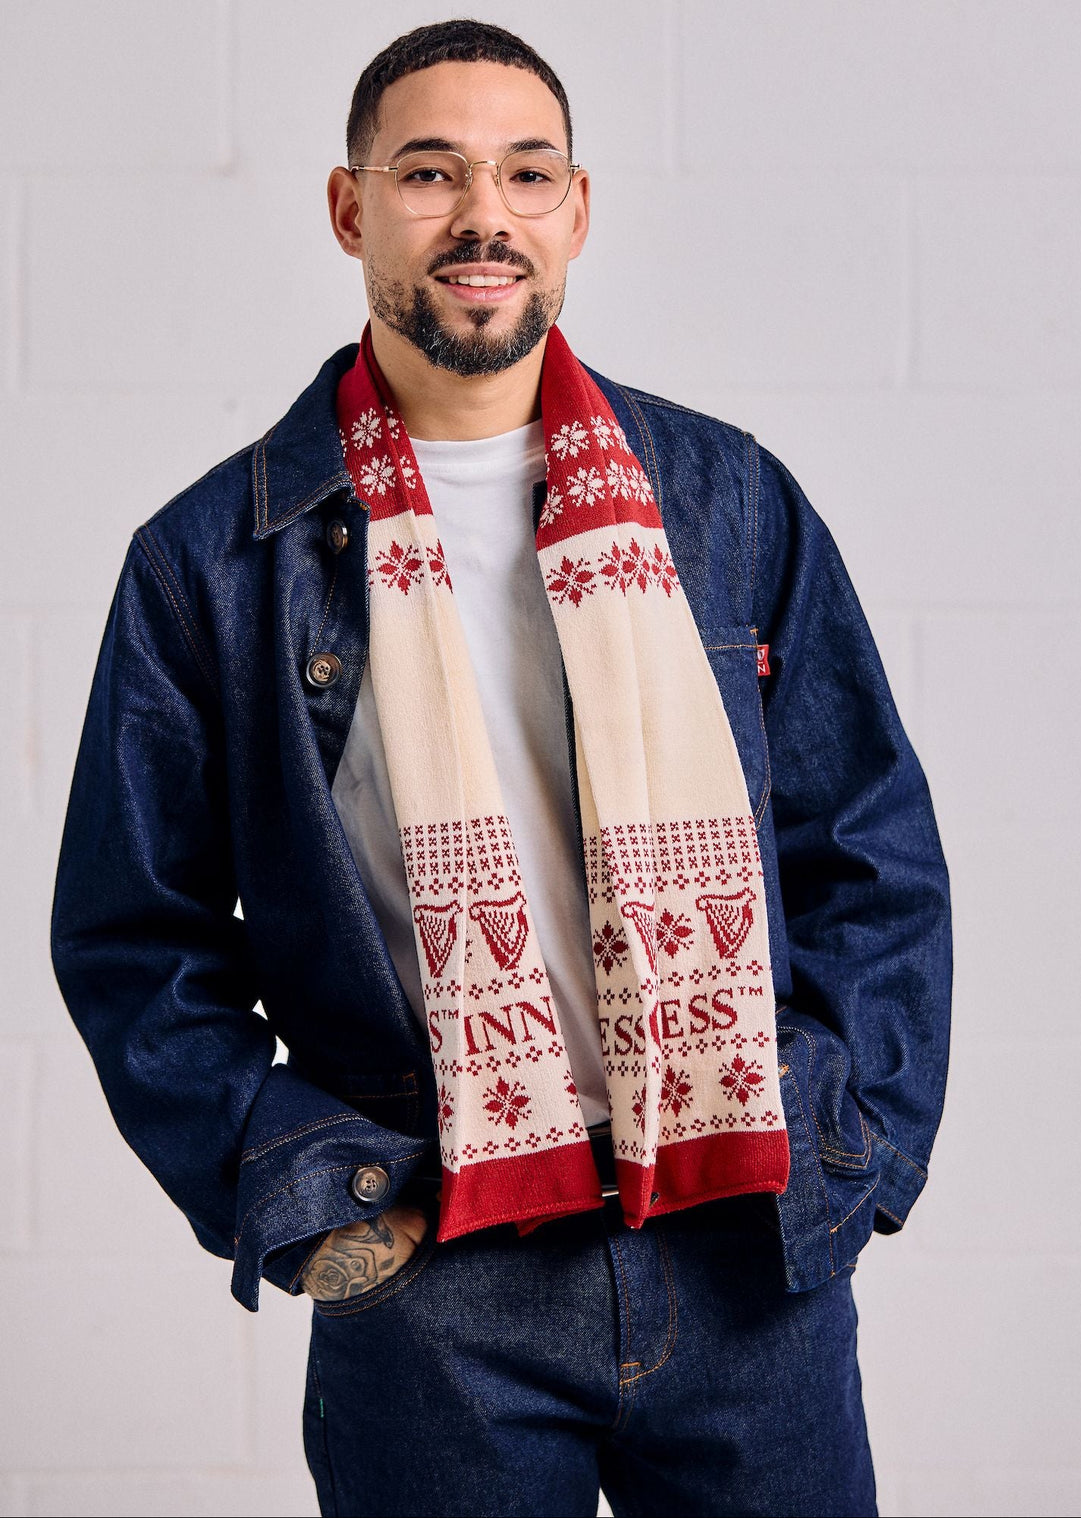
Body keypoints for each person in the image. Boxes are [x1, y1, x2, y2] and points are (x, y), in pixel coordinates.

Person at [49, 19, 952, 1518]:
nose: (485, 215)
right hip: (440, 1280)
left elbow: (870, 847)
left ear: (576, 211)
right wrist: (320, 1201)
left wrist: (852, 1142)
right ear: (351, 209)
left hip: (745, 1255)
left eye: (525, 173)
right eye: (430, 172)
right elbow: (132, 939)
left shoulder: (725, 500)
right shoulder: (214, 562)